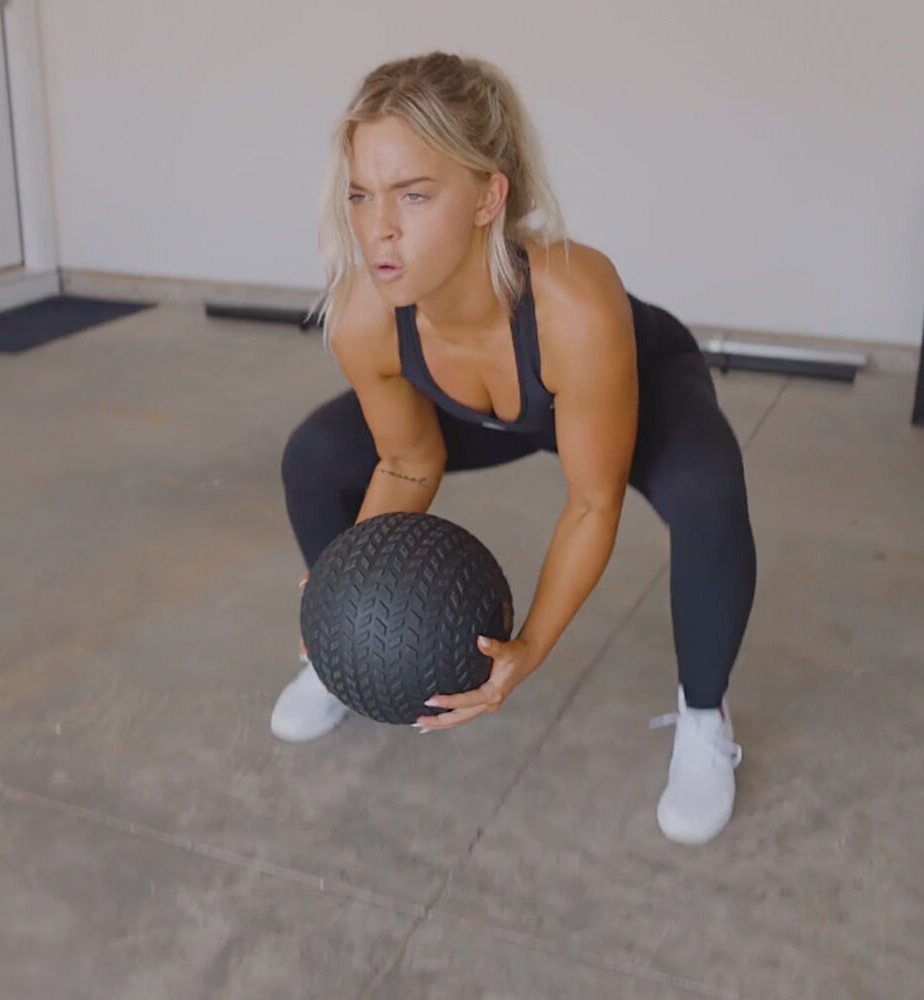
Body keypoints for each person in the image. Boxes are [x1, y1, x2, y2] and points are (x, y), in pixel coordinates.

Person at [271, 51, 757, 845]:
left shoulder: (576, 300)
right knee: (317, 454)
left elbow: (592, 501)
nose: (378, 227)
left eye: (413, 194)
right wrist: (347, 596)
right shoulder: (364, 314)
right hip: (481, 407)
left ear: (487, 197)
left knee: (707, 490)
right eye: (361, 195)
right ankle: (342, 662)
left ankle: (704, 718)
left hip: (626, 383)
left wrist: (528, 645)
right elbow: (408, 461)